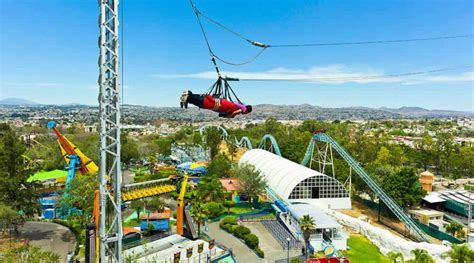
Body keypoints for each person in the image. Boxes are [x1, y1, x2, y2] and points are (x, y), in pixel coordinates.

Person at [180, 90, 252, 118]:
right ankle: (188, 95)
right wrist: (231, 115)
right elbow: (236, 112)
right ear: (247, 111)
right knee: (204, 102)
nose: (244, 113)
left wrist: (226, 115)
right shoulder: (243, 108)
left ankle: (188, 97)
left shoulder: (240, 105)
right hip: (218, 104)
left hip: (219, 104)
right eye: (246, 113)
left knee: (202, 102)